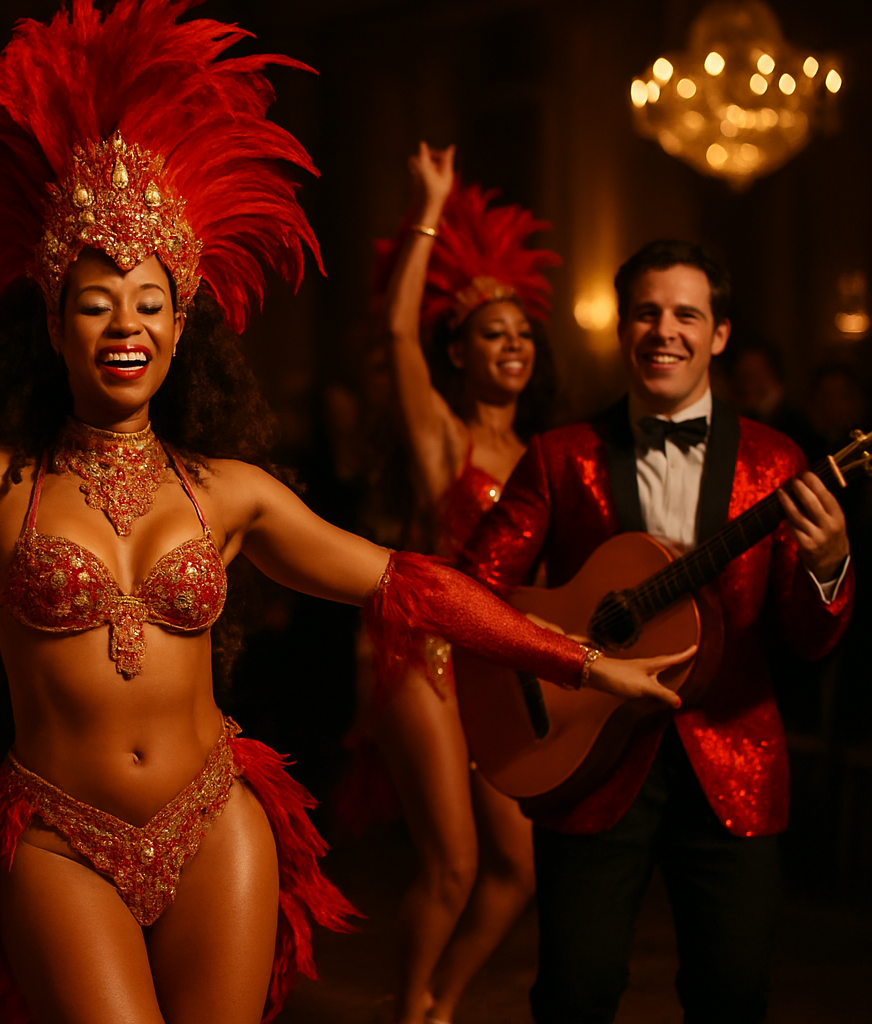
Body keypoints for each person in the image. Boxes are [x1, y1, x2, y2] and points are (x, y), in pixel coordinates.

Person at [0, 4, 685, 1020]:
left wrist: (583, 662)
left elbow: (413, 585)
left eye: (150, 302)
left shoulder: (231, 491)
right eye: (98, 301)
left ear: (181, 323)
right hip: (57, 833)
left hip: (216, 816)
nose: (126, 325)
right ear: (53, 323)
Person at [457, 240, 854, 1024]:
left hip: (733, 760)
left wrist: (831, 566)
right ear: (622, 328)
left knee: (732, 997)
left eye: (686, 315)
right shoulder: (561, 456)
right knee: (574, 996)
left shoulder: (778, 461)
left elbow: (809, 642)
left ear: (720, 334)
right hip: (585, 759)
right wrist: (566, 658)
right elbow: (473, 589)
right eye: (646, 312)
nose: (664, 330)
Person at [362, 143, 561, 1024]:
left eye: (522, 333)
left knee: (520, 867)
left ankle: (437, 1004)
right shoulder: (445, 437)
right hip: (426, 651)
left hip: (495, 663)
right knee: (452, 865)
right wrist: (431, 208)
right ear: (459, 347)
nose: (512, 345)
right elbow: (397, 334)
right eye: (492, 332)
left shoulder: (541, 457)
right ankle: (408, 1011)